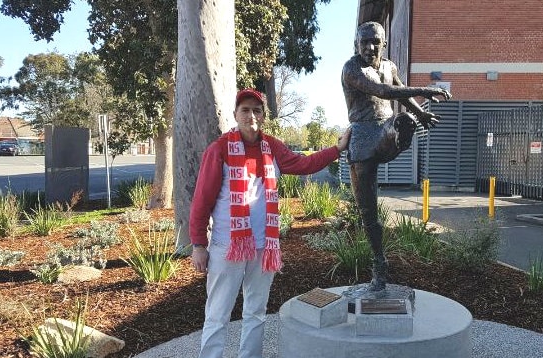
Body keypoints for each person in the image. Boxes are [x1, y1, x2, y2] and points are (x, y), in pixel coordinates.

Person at [189, 88, 350, 358]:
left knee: (256, 312)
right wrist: (198, 245)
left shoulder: (271, 147)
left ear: (263, 116)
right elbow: (201, 200)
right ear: (235, 114)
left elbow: (304, 164)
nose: (251, 115)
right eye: (245, 109)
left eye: (257, 110)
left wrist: (336, 149)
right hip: (227, 246)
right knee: (217, 314)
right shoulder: (219, 149)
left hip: (265, 247)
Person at [341, 21, 452, 291]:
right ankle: (380, 264)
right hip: (361, 137)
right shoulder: (352, 68)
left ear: (384, 43)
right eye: (364, 41)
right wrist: (425, 91)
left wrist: (421, 112)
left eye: (375, 42)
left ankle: (402, 135)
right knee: (369, 214)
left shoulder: (389, 66)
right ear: (357, 43)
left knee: (402, 120)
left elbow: (399, 90)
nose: (369, 47)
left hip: (385, 130)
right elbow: (384, 92)